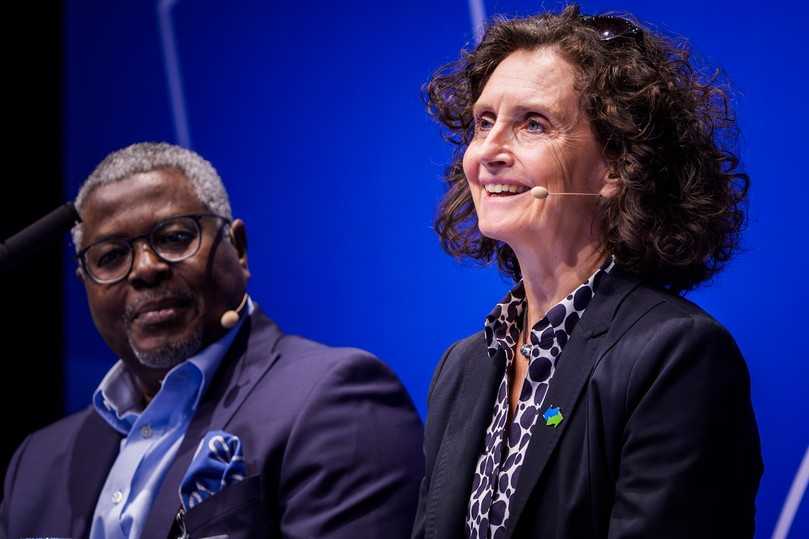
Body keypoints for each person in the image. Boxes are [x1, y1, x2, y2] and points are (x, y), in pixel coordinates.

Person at [413, 5, 762, 539]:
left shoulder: (676, 357)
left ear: (618, 165)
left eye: (532, 124)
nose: (489, 151)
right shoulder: (461, 368)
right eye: (485, 123)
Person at [0, 142, 424, 538]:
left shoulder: (334, 398)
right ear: (85, 284)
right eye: (110, 256)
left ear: (238, 248)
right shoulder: (37, 464)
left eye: (174, 237)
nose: (145, 269)